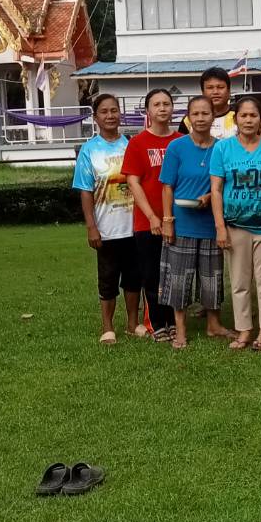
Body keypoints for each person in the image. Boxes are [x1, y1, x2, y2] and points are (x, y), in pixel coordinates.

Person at [159, 96, 232, 349]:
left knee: (212, 277)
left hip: (212, 224)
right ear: (188, 118)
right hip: (183, 223)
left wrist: (210, 196)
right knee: (179, 279)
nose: (201, 119)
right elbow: (167, 187)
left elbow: (226, 184)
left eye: (205, 114)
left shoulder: (222, 148)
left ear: (214, 117)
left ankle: (214, 324)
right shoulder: (177, 148)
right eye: (196, 114)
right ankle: (180, 330)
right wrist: (167, 220)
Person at [209, 95, 261, 351]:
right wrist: (219, 226)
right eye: (244, 115)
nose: (249, 120)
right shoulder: (223, 149)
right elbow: (216, 189)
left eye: (253, 115)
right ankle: (244, 330)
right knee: (239, 282)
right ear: (235, 118)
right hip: (235, 225)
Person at [72, 94, 140, 344]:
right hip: (106, 227)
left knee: (134, 279)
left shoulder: (131, 145)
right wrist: (92, 227)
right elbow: (85, 190)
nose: (110, 116)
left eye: (114, 111)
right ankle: (108, 327)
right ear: (95, 117)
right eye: (104, 112)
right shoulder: (89, 150)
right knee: (108, 279)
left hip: (134, 226)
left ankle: (133, 323)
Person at [121, 88, 183, 340]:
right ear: (147, 111)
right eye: (156, 104)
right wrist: (151, 217)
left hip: (179, 220)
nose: (162, 108)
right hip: (147, 222)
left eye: (166, 103)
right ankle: (157, 323)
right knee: (152, 274)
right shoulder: (137, 143)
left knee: (175, 273)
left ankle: (173, 321)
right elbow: (133, 182)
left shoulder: (180, 141)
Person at [180, 65, 236, 139]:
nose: (215, 92)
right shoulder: (188, 120)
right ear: (202, 92)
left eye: (220, 87)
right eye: (210, 88)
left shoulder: (240, 116)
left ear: (229, 91)